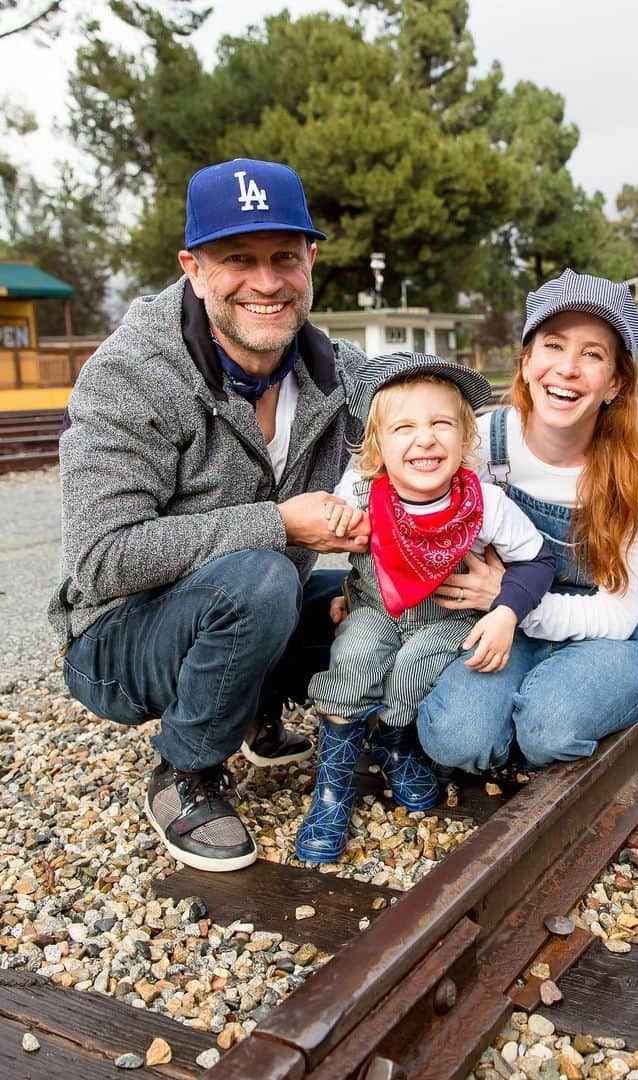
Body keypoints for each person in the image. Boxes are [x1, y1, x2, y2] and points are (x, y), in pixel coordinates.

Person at [49, 158, 371, 873]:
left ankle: (255, 710)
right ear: (194, 268)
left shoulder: (338, 370)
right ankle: (184, 771)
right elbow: (100, 559)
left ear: (311, 261)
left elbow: (432, 404)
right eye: (237, 259)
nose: (266, 281)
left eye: (284, 257)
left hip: (251, 600)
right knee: (261, 580)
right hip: (115, 639)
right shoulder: (133, 373)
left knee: (374, 602)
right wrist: (280, 523)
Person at [294, 353, 556, 862]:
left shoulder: (484, 502)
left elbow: (536, 561)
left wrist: (505, 612)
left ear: (465, 437)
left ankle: (394, 741)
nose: (425, 439)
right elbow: (325, 532)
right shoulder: (361, 493)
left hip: (447, 615)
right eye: (404, 427)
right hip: (375, 608)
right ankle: (333, 786)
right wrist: (339, 539)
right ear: (377, 446)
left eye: (441, 424)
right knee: (354, 659)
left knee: (416, 666)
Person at [417, 269, 638, 773]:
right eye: (554, 346)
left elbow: (618, 615)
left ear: (615, 382)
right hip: (501, 625)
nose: (569, 368)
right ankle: (531, 704)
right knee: (455, 740)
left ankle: (603, 690)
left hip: (606, 635)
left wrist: (505, 598)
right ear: (528, 361)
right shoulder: (478, 446)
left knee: (548, 730)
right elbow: (403, 508)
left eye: (593, 354)